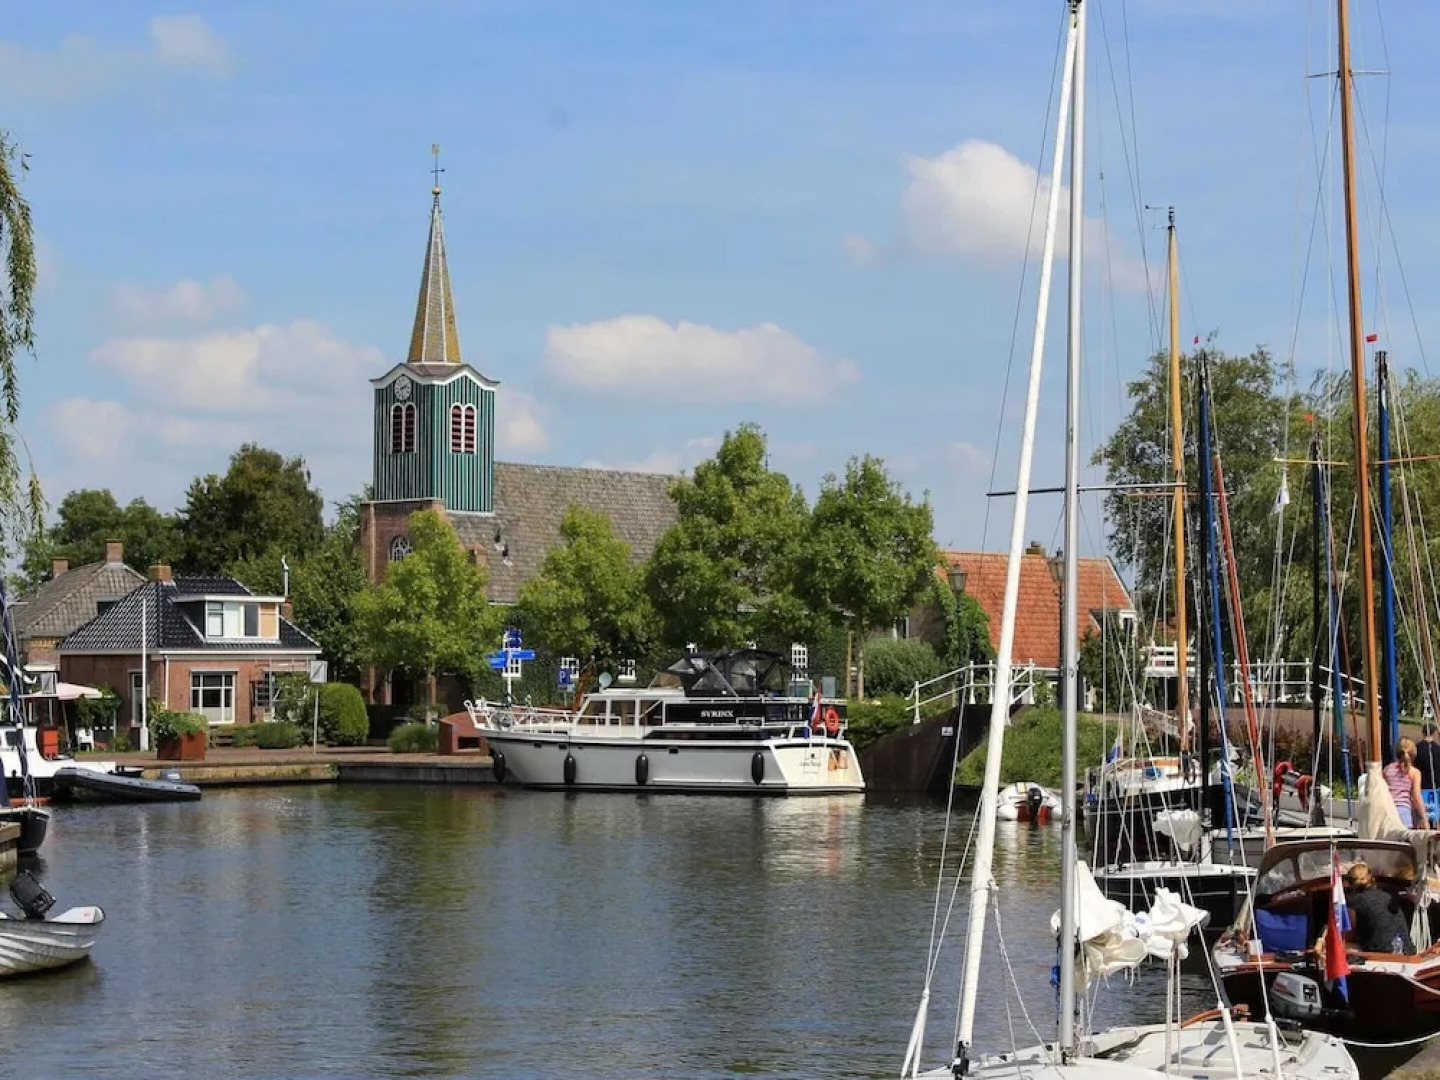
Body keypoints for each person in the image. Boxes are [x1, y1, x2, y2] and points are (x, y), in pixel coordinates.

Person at [1345, 861, 1414, 954]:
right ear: (1373, 879)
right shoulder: (1389, 896)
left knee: (1343, 946)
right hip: (1407, 952)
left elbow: (1348, 935)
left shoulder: (1355, 902)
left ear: (1348, 884)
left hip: (1381, 955)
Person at [1384, 737, 1430, 829]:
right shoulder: (1414, 773)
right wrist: (1424, 819)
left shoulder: (1387, 769)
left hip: (1387, 811)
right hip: (1403, 812)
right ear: (1413, 754)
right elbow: (1416, 797)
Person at [1416, 724, 1440, 798]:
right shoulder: (1438, 749)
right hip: (1436, 785)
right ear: (1434, 733)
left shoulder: (1417, 748)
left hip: (1421, 785)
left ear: (1423, 733)